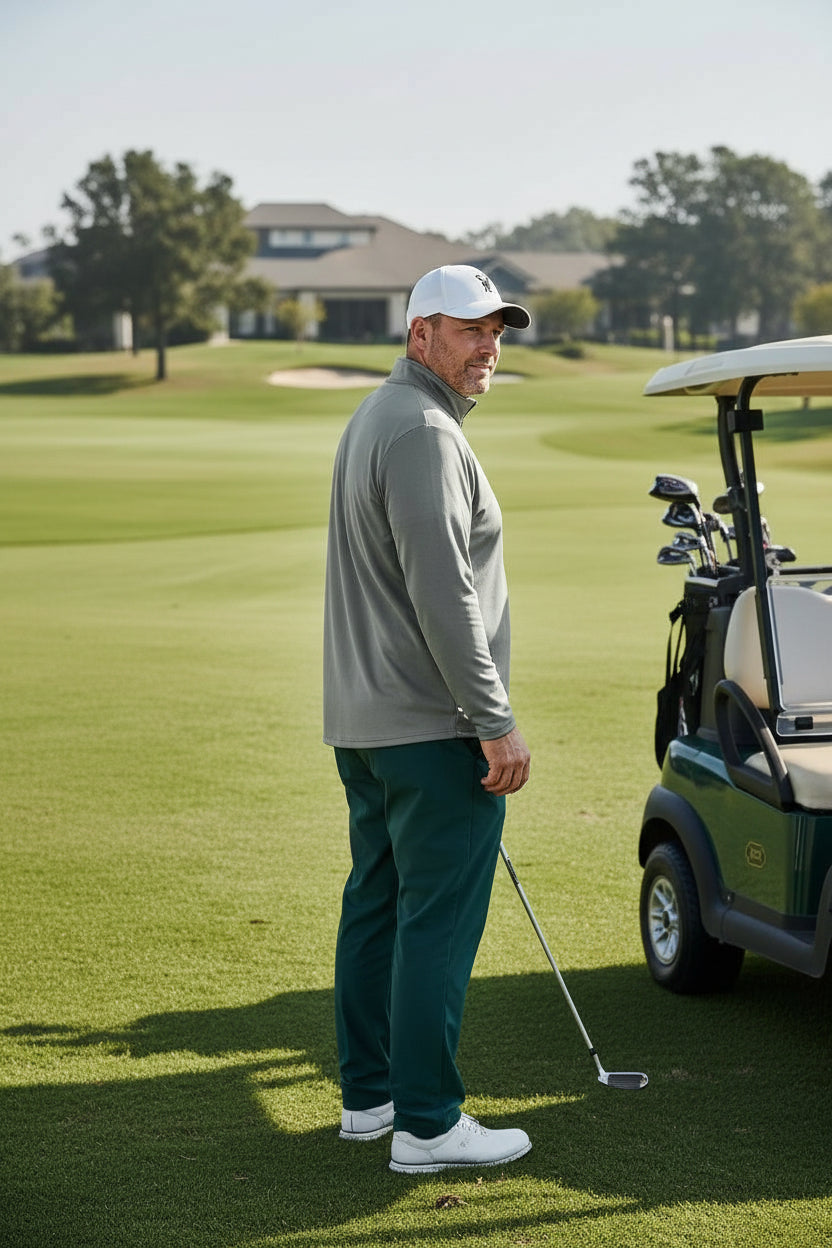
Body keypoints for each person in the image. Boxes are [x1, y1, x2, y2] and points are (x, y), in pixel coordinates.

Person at [323, 264, 533, 1175]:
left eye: (497, 331)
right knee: (433, 926)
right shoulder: (422, 432)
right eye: (469, 330)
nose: (489, 346)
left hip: (371, 724)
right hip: (431, 726)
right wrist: (495, 722)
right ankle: (429, 1123)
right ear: (420, 337)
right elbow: (443, 592)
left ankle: (370, 1102)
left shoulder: (387, 416)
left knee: (377, 906)